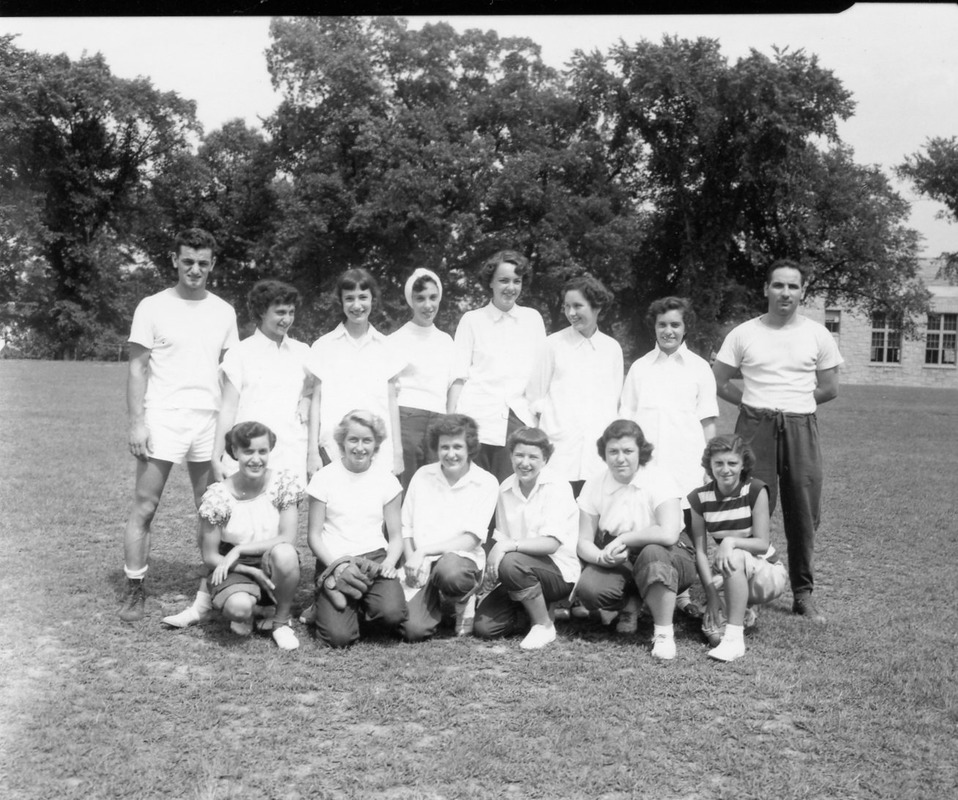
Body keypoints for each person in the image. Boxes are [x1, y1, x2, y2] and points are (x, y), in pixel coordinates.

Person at [163, 279, 311, 628]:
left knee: (276, 533)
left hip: (286, 451)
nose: (286, 319)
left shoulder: (304, 352)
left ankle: (273, 608)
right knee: (227, 526)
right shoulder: (241, 353)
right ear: (261, 312)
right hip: (247, 452)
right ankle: (203, 601)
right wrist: (218, 453)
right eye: (279, 312)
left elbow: (310, 396)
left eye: (290, 312)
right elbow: (227, 407)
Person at [712, 260, 842, 623]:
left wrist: (796, 406)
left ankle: (803, 593)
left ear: (802, 292)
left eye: (793, 287)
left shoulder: (818, 334)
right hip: (755, 426)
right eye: (778, 285)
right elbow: (718, 379)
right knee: (751, 505)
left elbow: (830, 387)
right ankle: (746, 587)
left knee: (803, 508)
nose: (785, 293)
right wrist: (750, 404)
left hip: (801, 427)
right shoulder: (743, 333)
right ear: (766, 289)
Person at [121, 228, 239, 622]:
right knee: (146, 505)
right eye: (188, 261)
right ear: (175, 260)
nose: (195, 269)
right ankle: (135, 587)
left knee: (211, 510)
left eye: (203, 263)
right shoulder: (151, 306)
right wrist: (137, 423)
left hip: (208, 421)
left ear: (212, 265)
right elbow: (137, 368)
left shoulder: (224, 311)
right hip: (163, 418)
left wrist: (228, 432)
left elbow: (231, 375)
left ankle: (215, 586)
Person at [619, 296, 718, 618]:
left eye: (675, 324)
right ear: (654, 327)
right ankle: (635, 597)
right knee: (645, 530)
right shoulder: (640, 368)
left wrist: (708, 467)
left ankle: (682, 596)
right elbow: (626, 420)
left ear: (685, 327)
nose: (668, 331)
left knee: (683, 535)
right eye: (662, 325)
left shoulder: (700, 368)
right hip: (647, 471)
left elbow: (708, 421)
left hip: (685, 468)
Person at [575, 419, 695, 660]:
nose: (620, 458)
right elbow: (583, 541)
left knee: (652, 554)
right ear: (604, 454)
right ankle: (631, 603)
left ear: (641, 451)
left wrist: (627, 538)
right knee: (591, 590)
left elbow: (668, 532)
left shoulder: (659, 478)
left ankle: (663, 633)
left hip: (667, 550)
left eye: (628, 451)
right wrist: (601, 557)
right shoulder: (595, 483)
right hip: (619, 551)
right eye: (613, 452)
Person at [306, 410, 407, 648]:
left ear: (376, 444)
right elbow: (313, 536)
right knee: (338, 638)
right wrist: (336, 566)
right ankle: (327, 600)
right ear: (342, 442)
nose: (360, 447)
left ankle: (360, 606)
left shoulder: (387, 481)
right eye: (353, 440)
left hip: (374, 559)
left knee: (392, 614)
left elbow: (395, 537)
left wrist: (390, 564)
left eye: (367, 441)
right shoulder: (323, 478)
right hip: (335, 559)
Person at [199, 421, 303, 650]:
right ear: (235, 452)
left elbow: (288, 537)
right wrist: (245, 566)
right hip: (234, 565)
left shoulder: (282, 482)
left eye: (262, 451)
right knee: (238, 608)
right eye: (248, 451)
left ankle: (281, 621)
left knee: (286, 553)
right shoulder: (218, 496)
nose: (256, 459)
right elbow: (209, 556)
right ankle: (250, 610)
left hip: (271, 559)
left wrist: (241, 549)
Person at [474, 428, 579, 650]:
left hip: (558, 571)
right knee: (485, 628)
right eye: (519, 455)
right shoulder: (505, 489)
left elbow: (551, 543)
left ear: (545, 460)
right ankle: (541, 609)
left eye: (533, 457)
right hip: (520, 570)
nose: (525, 463)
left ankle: (543, 624)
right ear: (511, 456)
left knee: (511, 562)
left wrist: (508, 546)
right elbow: (503, 538)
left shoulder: (557, 487)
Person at [400, 414, 499, 642]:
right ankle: (429, 602)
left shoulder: (486, 482)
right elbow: (406, 527)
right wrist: (412, 562)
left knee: (450, 571)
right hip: (422, 562)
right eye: (445, 447)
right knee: (413, 630)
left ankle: (464, 599)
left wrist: (423, 551)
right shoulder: (422, 475)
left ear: (470, 448)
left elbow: (471, 539)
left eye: (458, 446)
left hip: (460, 563)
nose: (451, 454)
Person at [449, 250, 546, 483]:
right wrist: (451, 425)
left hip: (518, 421)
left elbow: (541, 377)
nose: (510, 287)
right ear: (490, 282)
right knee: (473, 492)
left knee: (509, 493)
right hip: (476, 420)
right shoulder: (472, 320)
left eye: (516, 281)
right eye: (503, 280)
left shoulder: (533, 320)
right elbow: (458, 377)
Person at [689, 436, 788, 662]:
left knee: (733, 556)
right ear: (709, 465)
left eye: (732, 463)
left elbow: (762, 543)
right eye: (719, 463)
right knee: (712, 633)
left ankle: (734, 640)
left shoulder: (754, 490)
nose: (725, 470)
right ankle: (744, 613)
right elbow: (701, 552)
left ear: (743, 464)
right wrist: (711, 595)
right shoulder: (699, 498)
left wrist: (730, 541)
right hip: (732, 574)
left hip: (767, 574)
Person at [529, 274, 623, 496]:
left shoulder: (612, 349)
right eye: (567, 306)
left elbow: (614, 400)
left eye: (578, 306)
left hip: (596, 454)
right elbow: (535, 397)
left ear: (597, 306)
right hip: (560, 451)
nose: (571, 313)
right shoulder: (552, 345)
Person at [306, 268, 405, 480]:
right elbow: (316, 400)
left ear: (373, 300)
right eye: (349, 298)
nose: (357, 305)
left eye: (363, 297)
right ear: (341, 302)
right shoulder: (323, 346)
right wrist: (312, 451)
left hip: (377, 450)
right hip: (334, 448)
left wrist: (397, 452)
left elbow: (391, 401)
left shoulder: (387, 347)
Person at [388, 268, 456, 492]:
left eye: (433, 297)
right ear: (411, 301)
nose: (428, 305)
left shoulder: (447, 341)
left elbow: (452, 388)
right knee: (405, 489)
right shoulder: (396, 340)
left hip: (438, 421)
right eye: (420, 298)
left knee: (434, 489)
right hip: (407, 420)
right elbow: (388, 391)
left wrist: (449, 425)